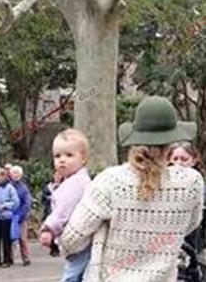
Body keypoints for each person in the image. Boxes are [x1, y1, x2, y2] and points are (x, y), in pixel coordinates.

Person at [60, 96, 204, 282]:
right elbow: (191, 224)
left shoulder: (110, 182)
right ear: (171, 144)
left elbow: (71, 239)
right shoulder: (191, 183)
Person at [39, 128, 92, 282]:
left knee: (72, 275)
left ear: (83, 158)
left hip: (78, 239)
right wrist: (56, 186)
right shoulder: (75, 181)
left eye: (69, 155)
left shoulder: (75, 184)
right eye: (57, 156)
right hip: (82, 239)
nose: (62, 160)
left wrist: (48, 229)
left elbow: (62, 210)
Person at [9, 165, 32, 266]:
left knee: (23, 238)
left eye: (17, 173)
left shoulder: (23, 188)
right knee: (9, 238)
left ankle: (26, 258)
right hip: (9, 216)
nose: (15, 175)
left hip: (21, 216)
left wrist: (22, 215)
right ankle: (9, 258)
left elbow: (27, 203)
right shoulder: (8, 186)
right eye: (14, 173)